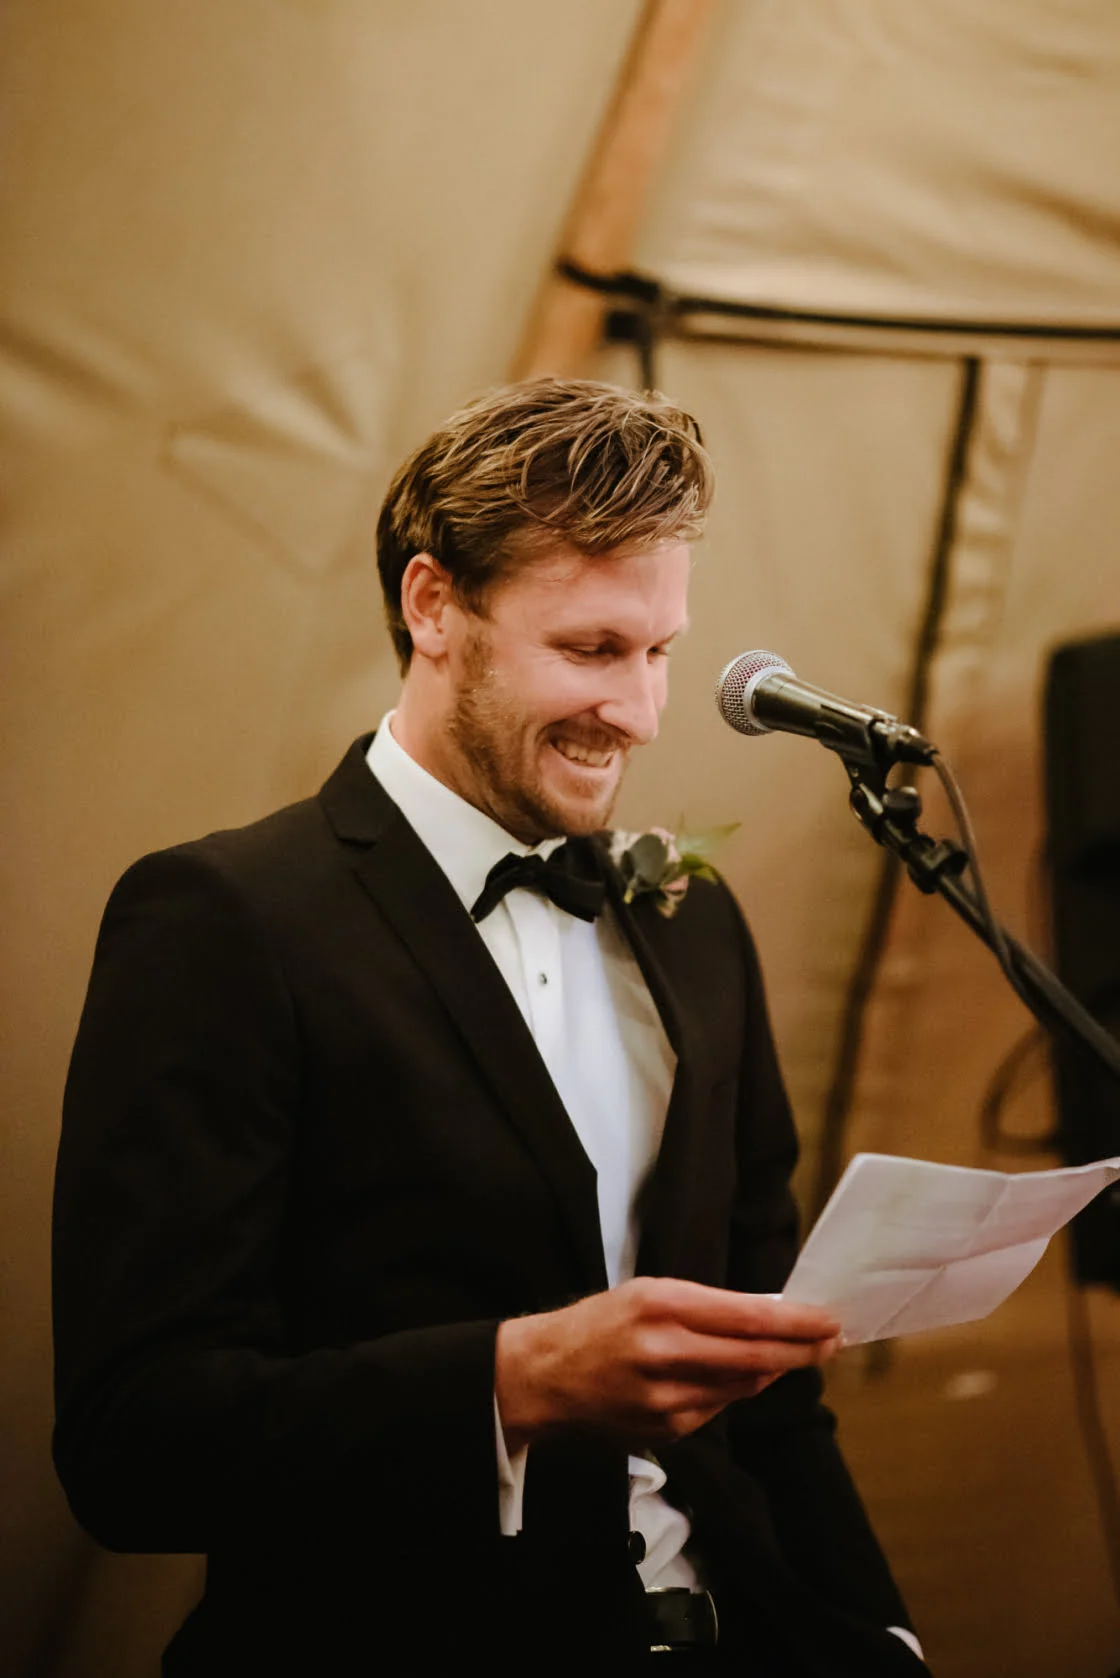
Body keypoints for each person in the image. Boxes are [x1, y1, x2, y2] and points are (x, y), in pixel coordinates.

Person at [53, 379, 927, 1672]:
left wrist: (884, 1635)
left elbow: (773, 1390)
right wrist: (513, 1379)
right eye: (590, 649)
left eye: (659, 652)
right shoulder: (224, 919)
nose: (640, 711)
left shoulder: (693, 919)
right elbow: (134, 1443)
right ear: (432, 606)